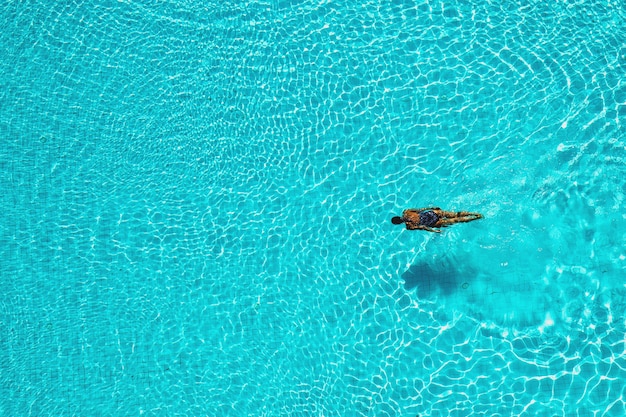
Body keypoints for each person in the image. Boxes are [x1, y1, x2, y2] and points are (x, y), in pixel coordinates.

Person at [391, 207, 483, 233]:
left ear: (399, 223)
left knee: (455, 220)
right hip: (432, 213)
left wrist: (434, 231)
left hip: (433, 222)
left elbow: (423, 227)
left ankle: (475, 217)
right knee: (454, 215)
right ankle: (474, 214)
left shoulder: (409, 227)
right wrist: (432, 207)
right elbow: (421, 209)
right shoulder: (407, 211)